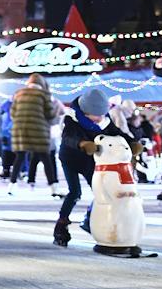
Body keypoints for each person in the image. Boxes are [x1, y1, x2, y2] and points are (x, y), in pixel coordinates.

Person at [53, 87, 133, 247]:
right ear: (85, 111)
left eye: (102, 114)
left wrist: (132, 142)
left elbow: (116, 133)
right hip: (70, 158)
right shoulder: (72, 118)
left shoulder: (104, 120)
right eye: (96, 115)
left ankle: (90, 220)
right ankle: (61, 225)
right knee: (75, 192)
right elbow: (69, 137)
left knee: (100, 192)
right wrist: (82, 143)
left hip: (89, 160)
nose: (100, 118)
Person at [8, 73, 59, 195]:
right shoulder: (44, 94)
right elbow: (50, 114)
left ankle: (11, 187)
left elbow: (12, 113)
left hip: (20, 130)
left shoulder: (19, 93)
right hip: (38, 130)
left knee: (19, 158)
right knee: (46, 158)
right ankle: (53, 188)